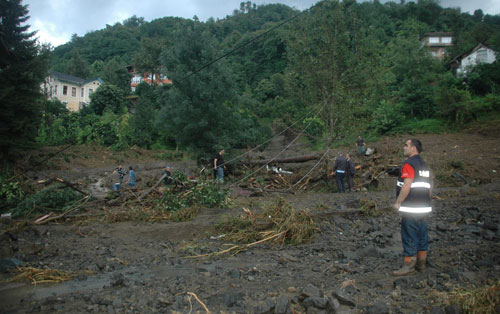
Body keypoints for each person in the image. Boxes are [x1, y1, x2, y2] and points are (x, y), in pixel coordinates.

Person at [393, 139, 432, 276]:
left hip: (411, 207)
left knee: (409, 235)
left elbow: (407, 185)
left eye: (406, 145)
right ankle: (421, 264)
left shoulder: (409, 164)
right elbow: (429, 187)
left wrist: (398, 202)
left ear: (413, 148)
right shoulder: (424, 165)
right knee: (422, 234)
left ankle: (409, 265)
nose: (404, 148)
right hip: (424, 207)